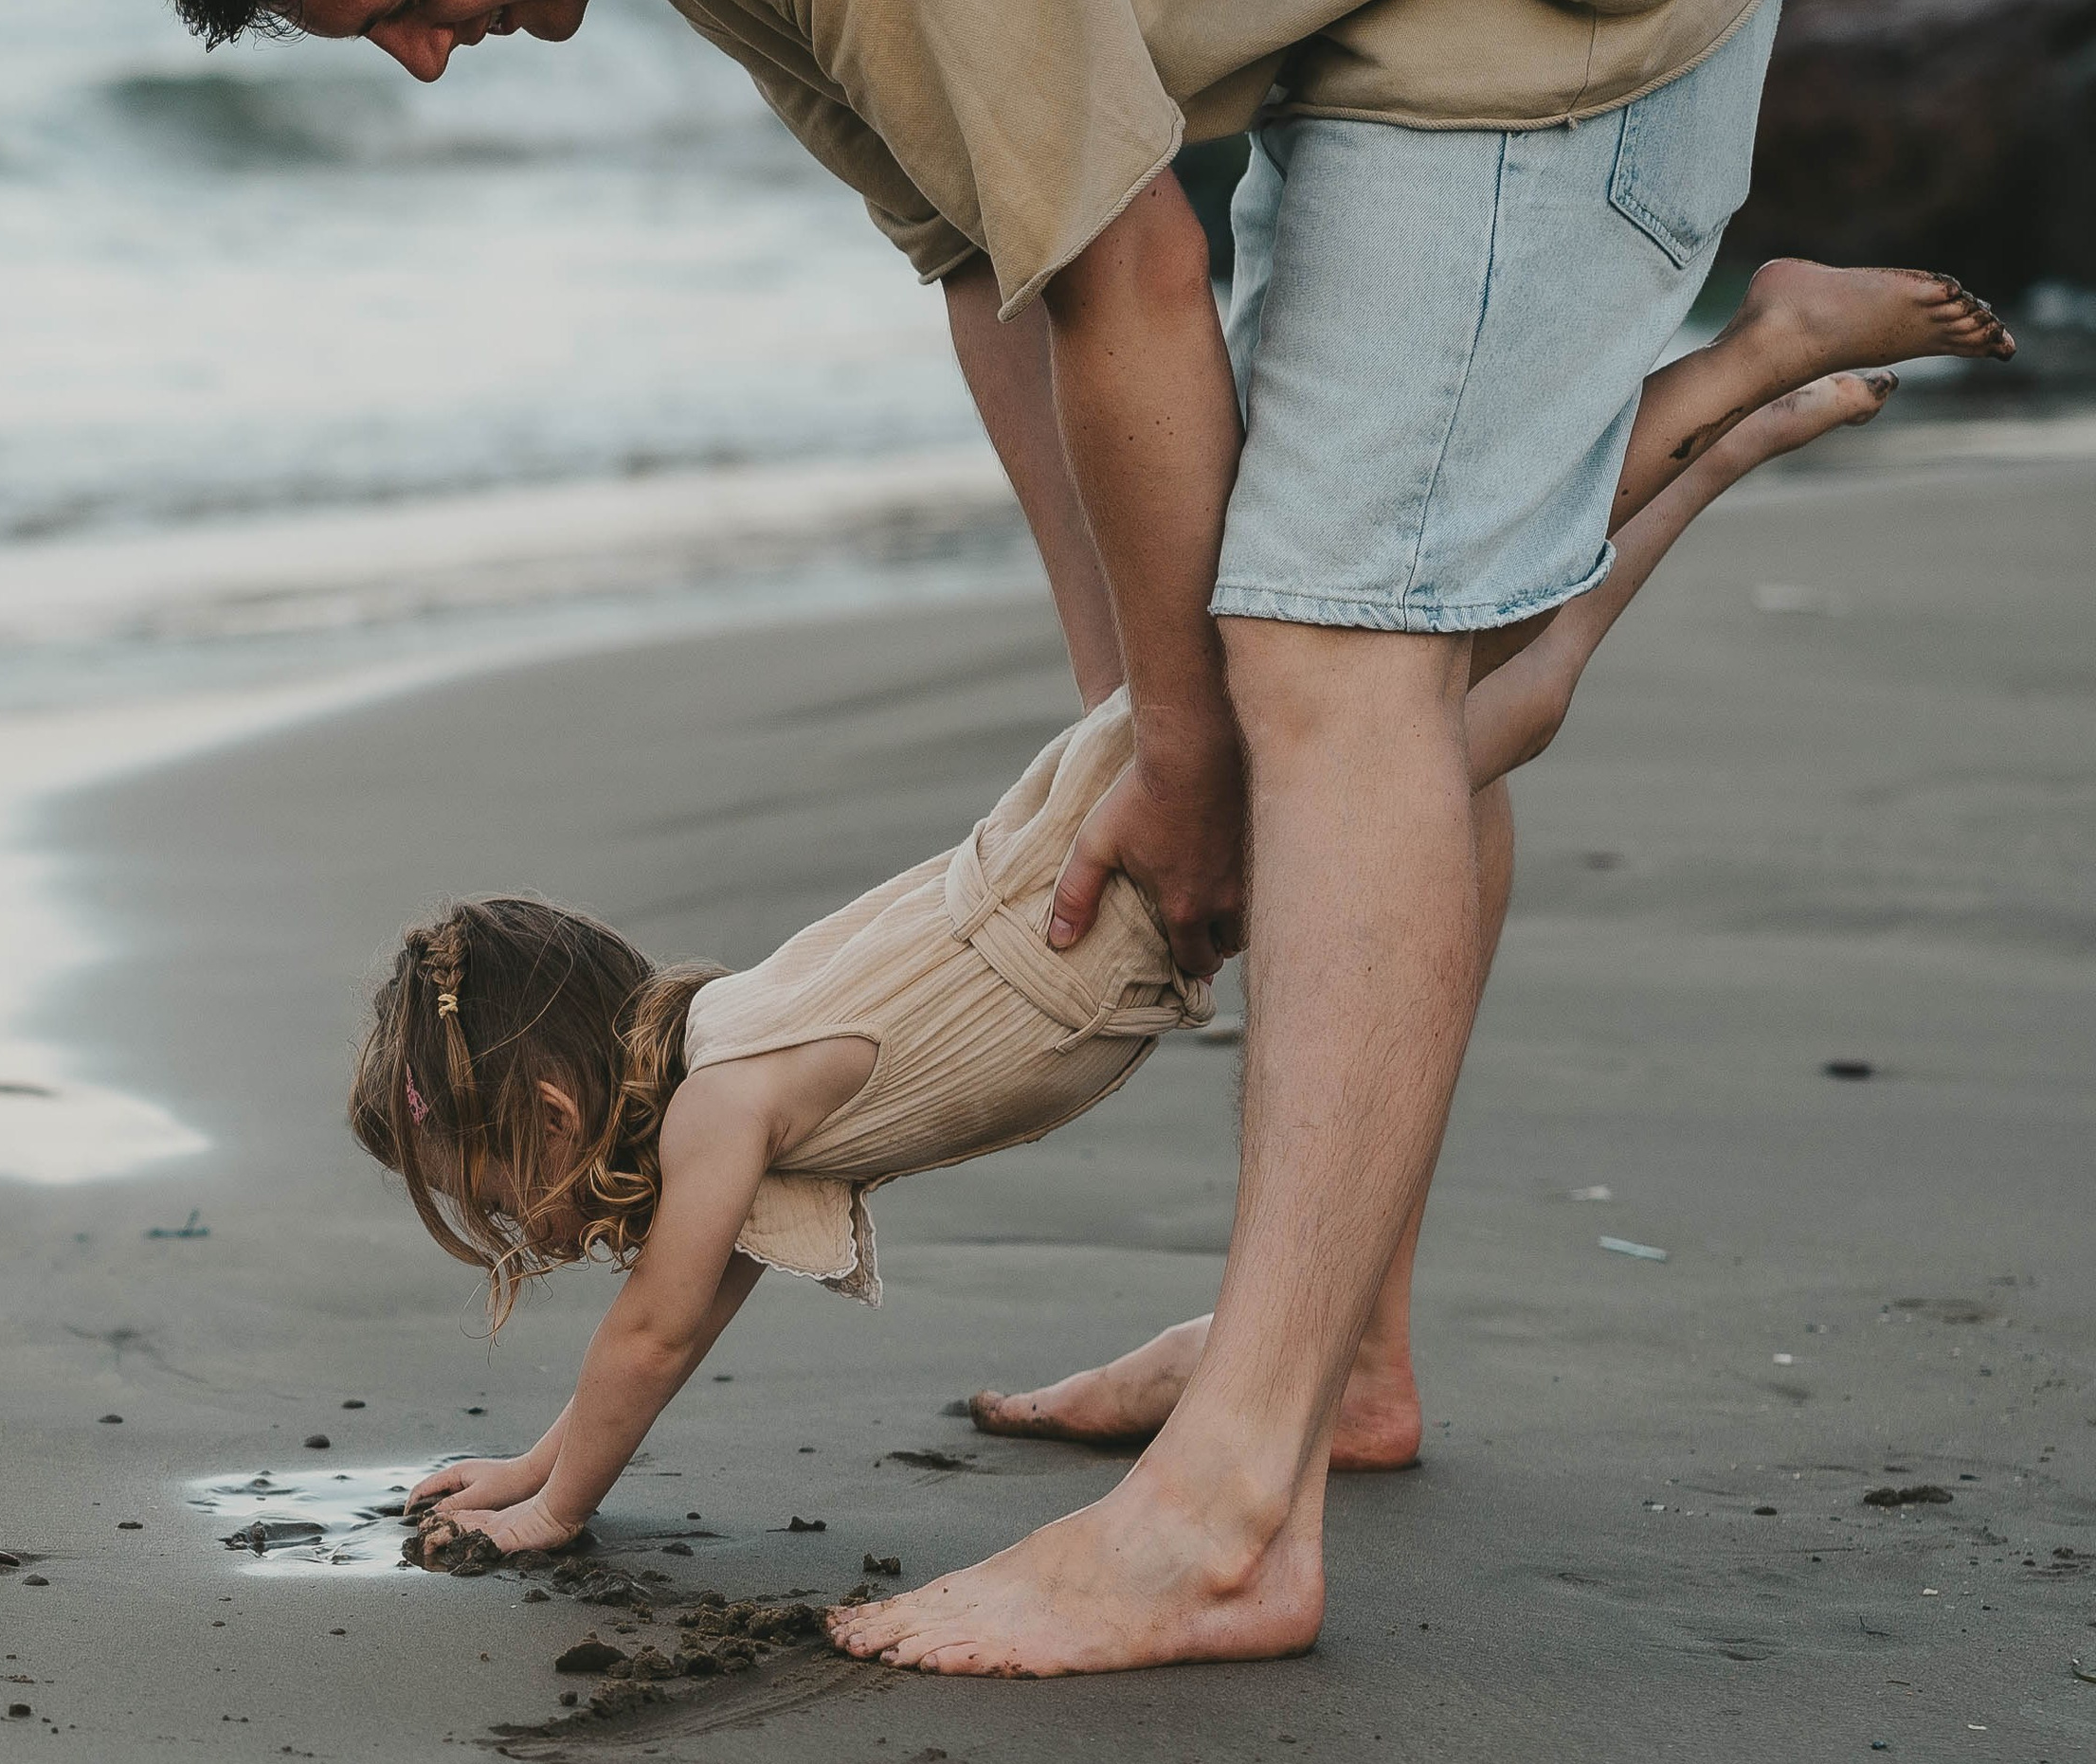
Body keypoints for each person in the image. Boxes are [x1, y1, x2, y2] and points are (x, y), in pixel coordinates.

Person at [103, 0, 2016, 1671]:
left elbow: (1122, 263)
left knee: (1330, 670)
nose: (427, 61)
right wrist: (1132, 712)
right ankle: (1331, 1363)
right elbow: (991, 267)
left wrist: (1204, 735)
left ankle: (1224, 1516)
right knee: (1293, 680)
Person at [361, 369, 1882, 1560]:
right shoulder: (718, 1065)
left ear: (552, 1119)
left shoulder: (714, 1110)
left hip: (1111, 885)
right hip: (1078, 861)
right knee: (1488, 677)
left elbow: (659, 1328)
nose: (520, 1229)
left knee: (1480, 676)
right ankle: (1727, 432)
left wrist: (558, 1510)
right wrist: (537, 1464)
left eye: (496, 1194)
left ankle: (1717, 398)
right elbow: (672, 1320)